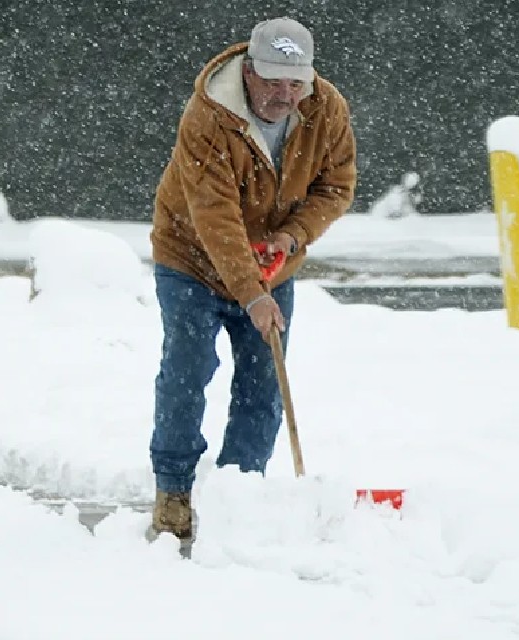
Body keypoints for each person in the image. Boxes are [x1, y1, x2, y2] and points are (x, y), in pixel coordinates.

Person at [147, 17, 356, 539]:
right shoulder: (208, 116)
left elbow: (337, 186)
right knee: (188, 368)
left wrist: (292, 235)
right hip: (191, 258)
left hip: (272, 258)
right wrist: (252, 293)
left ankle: (241, 491)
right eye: (273, 81)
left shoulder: (326, 108)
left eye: (295, 82)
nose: (284, 95)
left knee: (264, 379)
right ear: (249, 71)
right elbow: (213, 216)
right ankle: (173, 488)